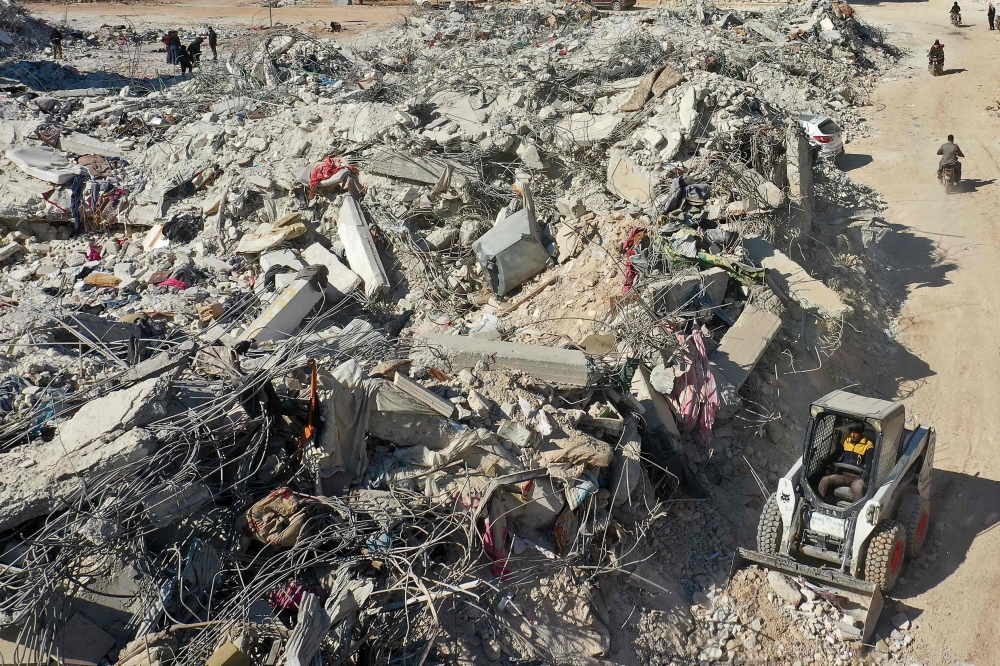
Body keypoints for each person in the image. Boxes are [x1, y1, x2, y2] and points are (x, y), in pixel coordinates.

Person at [818, 423, 874, 502]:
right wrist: (826, 462)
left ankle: (856, 509)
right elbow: (836, 454)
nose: (852, 435)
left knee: (858, 489)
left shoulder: (868, 444)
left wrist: (867, 471)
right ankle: (820, 503)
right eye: (851, 432)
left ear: (861, 433)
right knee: (825, 480)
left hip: (857, 478)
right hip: (843, 475)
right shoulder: (845, 440)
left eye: (855, 433)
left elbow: (869, 460)